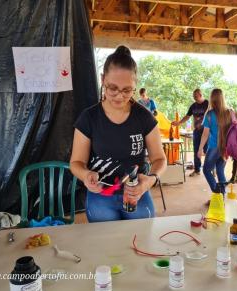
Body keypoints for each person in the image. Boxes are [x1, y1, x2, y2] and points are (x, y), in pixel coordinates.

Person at [70, 46, 167, 222]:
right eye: (112, 88)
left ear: (135, 86)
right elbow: (76, 162)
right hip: (101, 194)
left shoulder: (144, 117)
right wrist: (85, 175)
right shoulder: (89, 118)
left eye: (127, 90)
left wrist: (150, 180)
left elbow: (160, 159)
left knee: (141, 239)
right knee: (105, 243)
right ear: (102, 80)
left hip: (136, 192)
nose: (119, 96)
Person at [197, 89, 232, 195]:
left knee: (206, 170)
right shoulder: (229, 112)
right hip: (225, 148)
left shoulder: (210, 114)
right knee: (220, 170)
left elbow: (205, 134)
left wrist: (200, 149)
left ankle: (217, 192)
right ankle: (223, 195)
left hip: (213, 147)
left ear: (212, 99)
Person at [172, 89, 209, 177]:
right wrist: (179, 123)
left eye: (196, 96)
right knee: (196, 150)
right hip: (196, 131)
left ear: (200, 95)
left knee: (208, 151)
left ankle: (210, 169)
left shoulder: (208, 103)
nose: (194, 98)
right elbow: (187, 116)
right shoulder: (193, 106)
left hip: (207, 131)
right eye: (193, 97)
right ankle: (197, 170)